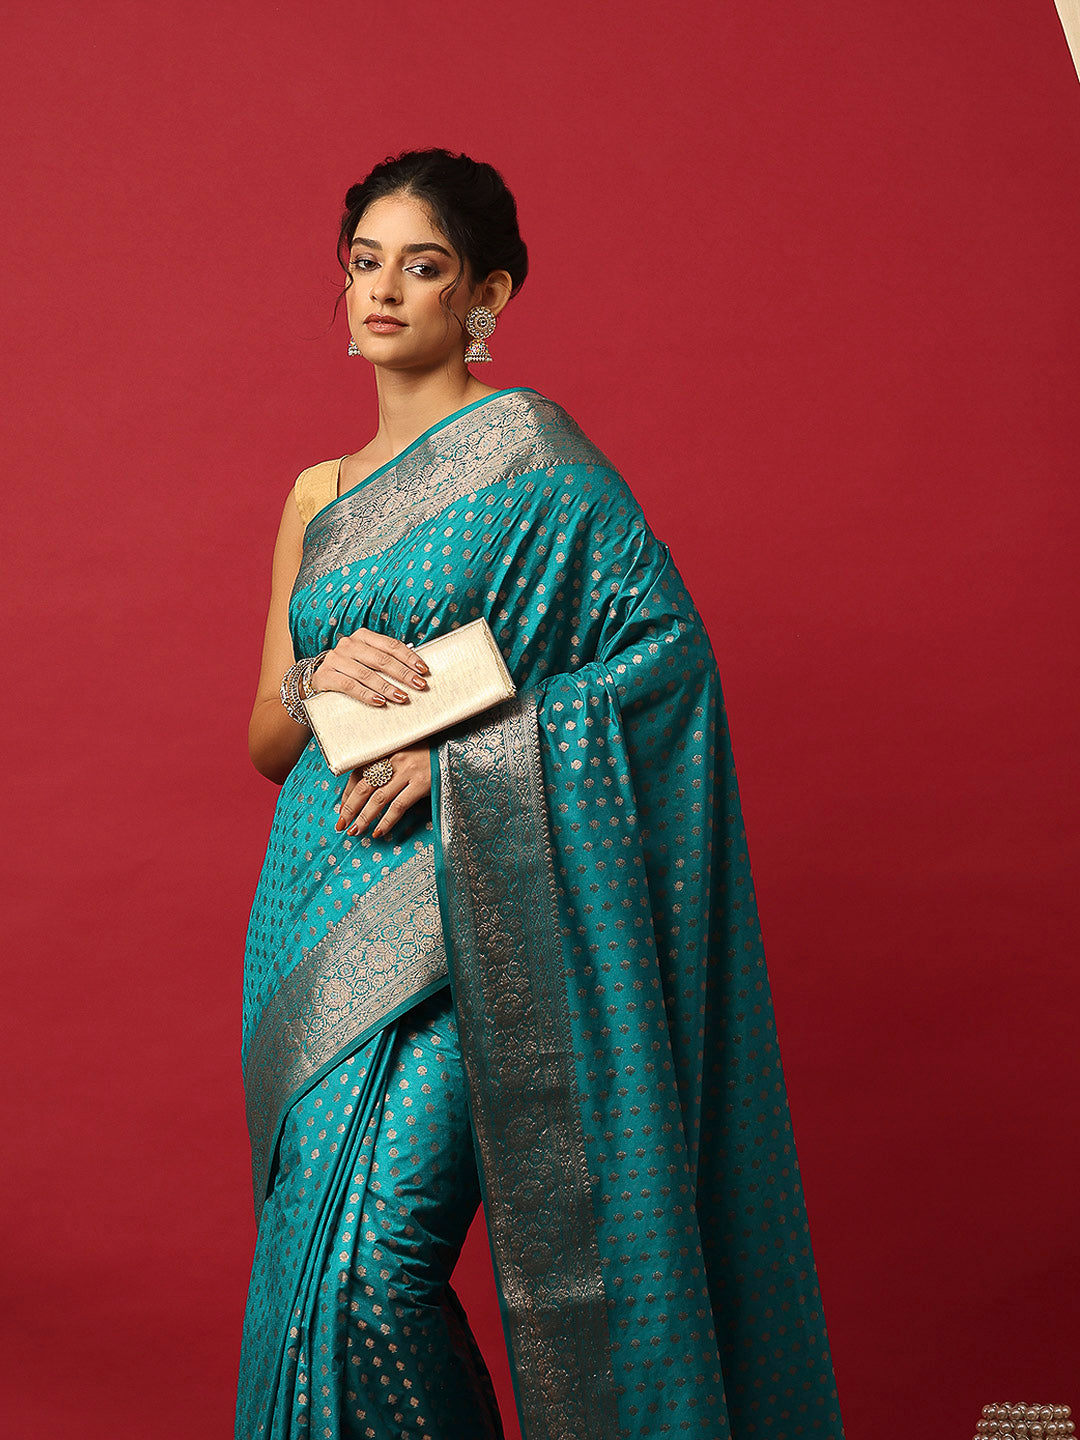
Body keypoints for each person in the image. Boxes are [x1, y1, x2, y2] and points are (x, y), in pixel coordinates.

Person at [238, 146, 845, 1440]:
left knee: (373, 1268)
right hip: (315, 909)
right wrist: (311, 675)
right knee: (310, 1279)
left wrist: (460, 761)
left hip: (473, 902)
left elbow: (666, 660)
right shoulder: (315, 496)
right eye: (363, 264)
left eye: (422, 266)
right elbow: (266, 743)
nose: (381, 291)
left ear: (487, 293)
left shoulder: (535, 456)